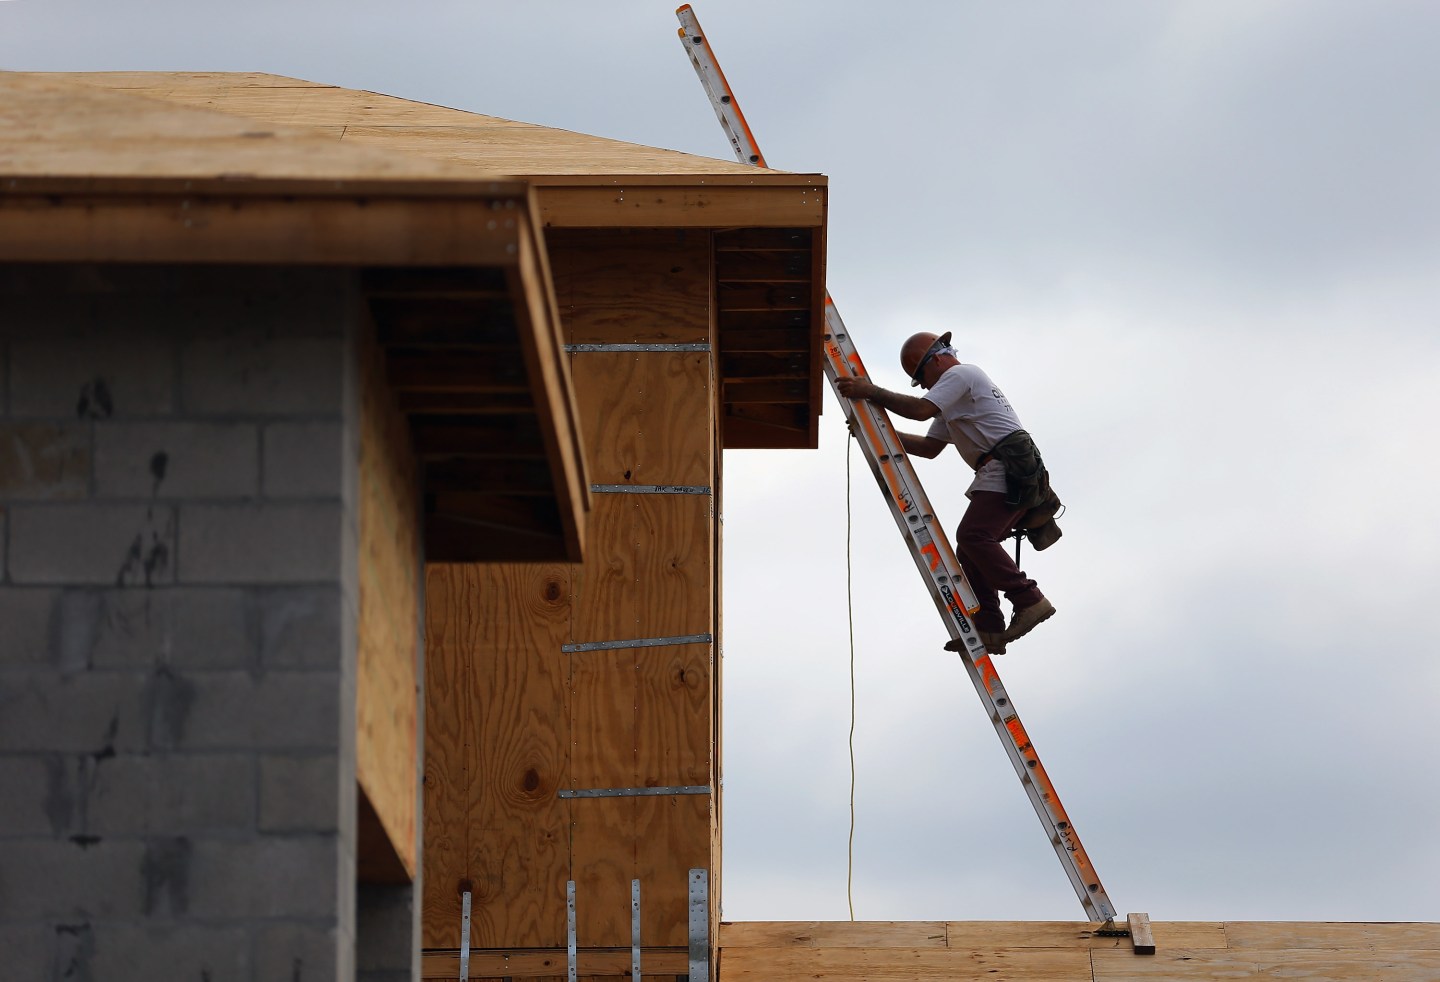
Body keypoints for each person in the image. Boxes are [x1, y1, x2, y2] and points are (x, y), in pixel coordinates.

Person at [835, 331, 1059, 654]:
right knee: (969, 548)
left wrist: (870, 392)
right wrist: (877, 433)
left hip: (1009, 463)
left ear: (937, 358)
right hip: (1006, 465)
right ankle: (991, 628)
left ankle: (1029, 598)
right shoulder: (952, 397)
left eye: (922, 377)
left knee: (974, 536)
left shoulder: (960, 375)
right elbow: (929, 448)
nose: (925, 386)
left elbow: (919, 410)